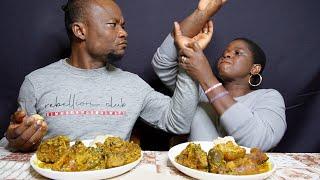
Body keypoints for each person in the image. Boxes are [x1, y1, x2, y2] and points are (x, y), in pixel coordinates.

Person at [2, 0, 217, 152]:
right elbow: (12, 142)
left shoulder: (132, 85)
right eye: (112, 25)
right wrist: (15, 140)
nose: (123, 33)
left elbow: (178, 123)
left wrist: (188, 62)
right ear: (80, 31)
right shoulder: (36, 82)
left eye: (123, 26)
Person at [152, 7, 286, 151]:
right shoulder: (199, 91)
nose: (227, 55)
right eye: (225, 53)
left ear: (255, 69)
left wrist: (206, 76)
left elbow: (258, 142)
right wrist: (187, 48)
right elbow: (163, 64)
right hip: (193, 171)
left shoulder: (268, 97)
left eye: (237, 53)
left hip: (242, 173)